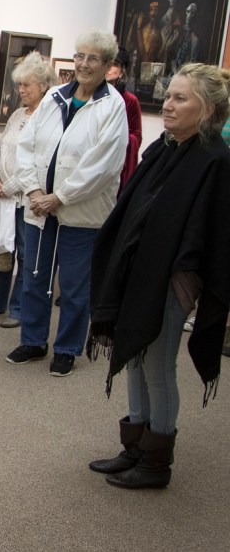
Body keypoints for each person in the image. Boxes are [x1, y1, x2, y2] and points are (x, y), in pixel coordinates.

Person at [86, 63, 230, 489]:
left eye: (180, 98)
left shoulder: (216, 161)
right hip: (139, 272)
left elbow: (212, 233)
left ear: (207, 110)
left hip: (171, 280)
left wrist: (181, 277)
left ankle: (155, 463)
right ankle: (135, 446)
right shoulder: (165, 148)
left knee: (157, 367)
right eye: (168, 96)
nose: (167, 104)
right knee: (132, 354)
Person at [5, 29, 128, 377]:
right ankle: (33, 341)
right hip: (39, 209)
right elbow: (26, 146)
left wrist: (59, 197)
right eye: (79, 56)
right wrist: (33, 192)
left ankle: (67, 348)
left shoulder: (112, 106)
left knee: (74, 287)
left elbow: (103, 166)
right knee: (34, 277)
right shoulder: (54, 97)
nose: (84, 64)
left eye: (93, 58)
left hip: (81, 214)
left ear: (107, 64)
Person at [0, 52, 55, 327]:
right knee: (0, 248)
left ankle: (18, 308)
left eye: (26, 85)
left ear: (43, 85)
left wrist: (10, 186)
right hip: (3, 197)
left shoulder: (48, 119)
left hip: (25, 199)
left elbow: (39, 161)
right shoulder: (18, 114)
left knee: (25, 254)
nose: (21, 90)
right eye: (19, 85)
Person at [106, 45, 143, 190]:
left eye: (114, 64)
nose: (109, 68)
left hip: (116, 163)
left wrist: (116, 138)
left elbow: (136, 135)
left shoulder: (130, 100)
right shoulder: (88, 95)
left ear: (122, 71)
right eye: (106, 63)